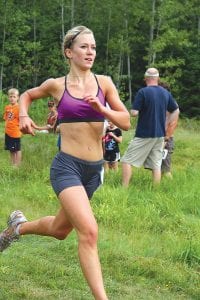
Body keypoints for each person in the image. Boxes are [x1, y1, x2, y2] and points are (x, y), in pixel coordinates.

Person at [0, 26, 130, 300]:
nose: (90, 52)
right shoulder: (56, 85)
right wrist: (23, 116)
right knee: (89, 232)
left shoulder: (104, 83)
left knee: (60, 230)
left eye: (93, 47)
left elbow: (126, 121)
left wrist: (102, 109)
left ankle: (17, 228)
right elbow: (27, 95)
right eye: (84, 47)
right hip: (67, 167)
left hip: (94, 172)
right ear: (69, 52)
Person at [121, 67, 179, 187]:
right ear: (157, 78)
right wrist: (168, 123)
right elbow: (175, 110)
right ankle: (155, 189)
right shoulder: (165, 93)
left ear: (145, 79)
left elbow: (134, 113)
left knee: (127, 160)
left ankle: (124, 188)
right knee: (156, 164)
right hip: (160, 135)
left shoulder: (143, 92)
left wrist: (131, 110)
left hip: (144, 133)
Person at [159, 82, 179, 178]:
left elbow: (173, 123)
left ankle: (172, 189)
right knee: (157, 167)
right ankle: (158, 188)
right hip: (158, 137)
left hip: (167, 138)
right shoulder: (161, 103)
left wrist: (166, 139)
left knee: (166, 169)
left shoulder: (172, 105)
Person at [3, 88, 22, 166]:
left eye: (14, 96)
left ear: (17, 97)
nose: (12, 98)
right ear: (8, 97)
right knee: (11, 149)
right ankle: (12, 163)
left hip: (15, 132)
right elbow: (6, 118)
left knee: (17, 149)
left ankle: (17, 164)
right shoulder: (7, 107)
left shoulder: (19, 108)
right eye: (10, 96)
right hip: (8, 132)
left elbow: (21, 120)